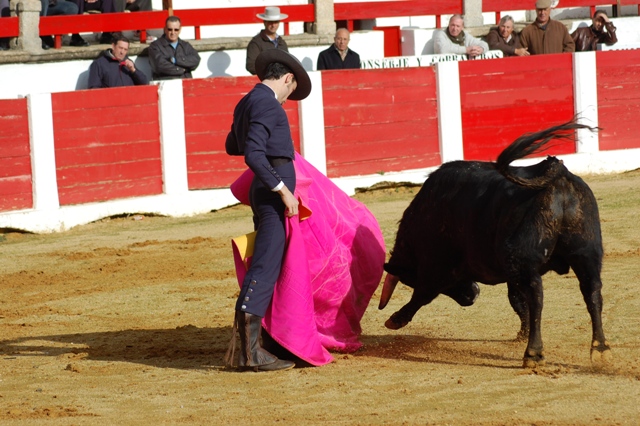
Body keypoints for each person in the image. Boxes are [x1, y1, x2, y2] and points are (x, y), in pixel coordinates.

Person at [224, 49, 311, 372]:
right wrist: (284, 190)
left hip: (263, 191)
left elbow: (234, 145)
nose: (288, 98)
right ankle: (249, 353)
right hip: (273, 195)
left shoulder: (248, 101)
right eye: (291, 90)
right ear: (287, 78)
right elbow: (253, 156)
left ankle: (254, 346)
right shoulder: (266, 103)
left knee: (267, 263)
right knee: (265, 266)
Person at [148, 16, 201, 80]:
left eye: (176, 29)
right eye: (170, 29)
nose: (173, 33)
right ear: (165, 29)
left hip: (186, 84)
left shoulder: (186, 45)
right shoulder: (155, 46)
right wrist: (182, 69)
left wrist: (175, 60)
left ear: (180, 30)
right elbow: (159, 66)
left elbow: (196, 60)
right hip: (166, 85)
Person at [245, 6, 289, 75]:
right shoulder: (256, 43)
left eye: (276, 22)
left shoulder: (281, 42)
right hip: (265, 81)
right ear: (264, 22)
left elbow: (288, 62)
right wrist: (270, 74)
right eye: (270, 22)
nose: (273, 25)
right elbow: (251, 65)